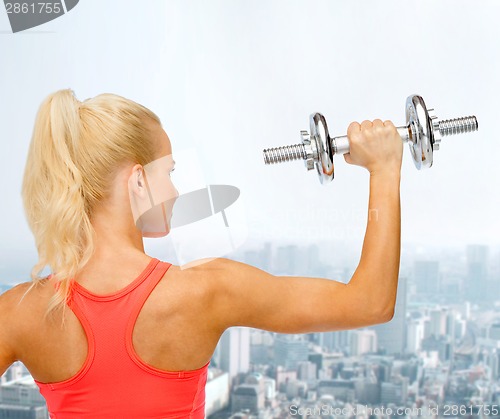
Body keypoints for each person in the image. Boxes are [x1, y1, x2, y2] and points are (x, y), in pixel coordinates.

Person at [0, 88, 403, 418]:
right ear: (138, 181)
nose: (175, 191)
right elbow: (370, 302)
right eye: (169, 172)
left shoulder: (21, 312)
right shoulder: (205, 291)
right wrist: (384, 170)